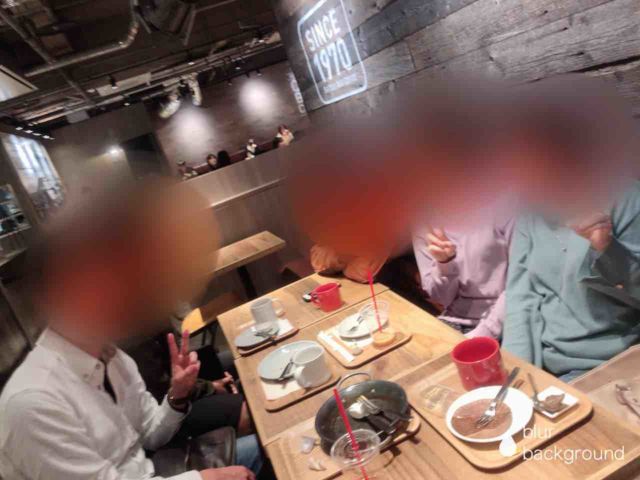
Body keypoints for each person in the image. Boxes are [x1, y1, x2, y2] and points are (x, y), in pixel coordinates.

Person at [0, 182, 259, 480]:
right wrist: (203, 478)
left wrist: (177, 394)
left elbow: (151, 434)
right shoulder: (33, 403)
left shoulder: (111, 357)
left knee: (271, 440)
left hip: (159, 467)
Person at [503, 187, 640, 382]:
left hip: (618, 362)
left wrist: (606, 248)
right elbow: (520, 299)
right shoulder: (529, 211)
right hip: (552, 365)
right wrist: (516, 373)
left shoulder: (625, 198)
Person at [412, 214, 513, 338]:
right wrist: (445, 264)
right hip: (454, 320)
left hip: (507, 321)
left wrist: (483, 333)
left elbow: (522, 283)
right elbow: (441, 299)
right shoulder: (423, 225)